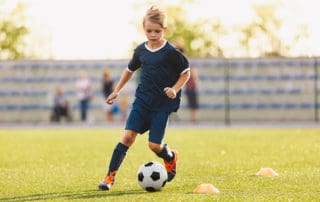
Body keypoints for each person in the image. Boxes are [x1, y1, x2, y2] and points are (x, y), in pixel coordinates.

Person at [98, 6, 190, 191]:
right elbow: (129, 70)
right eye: (149, 30)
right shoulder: (141, 50)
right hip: (142, 102)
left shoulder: (171, 53)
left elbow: (185, 73)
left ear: (165, 30)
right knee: (128, 137)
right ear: (144, 29)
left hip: (162, 105)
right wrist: (116, 91)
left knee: (154, 145)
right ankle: (109, 177)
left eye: (157, 31)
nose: (153, 34)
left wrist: (174, 89)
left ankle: (170, 156)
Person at [177, 47, 199, 122]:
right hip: (181, 86)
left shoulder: (188, 63)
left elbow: (194, 75)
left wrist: (195, 83)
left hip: (190, 87)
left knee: (193, 104)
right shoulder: (177, 63)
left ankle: (193, 118)